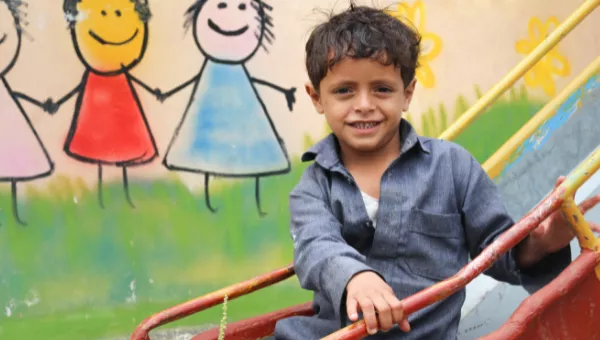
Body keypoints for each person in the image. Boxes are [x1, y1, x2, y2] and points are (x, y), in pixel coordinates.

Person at [274, 3, 600, 339]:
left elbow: (499, 252)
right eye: (344, 91)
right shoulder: (312, 187)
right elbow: (316, 244)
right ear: (316, 98)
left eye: (382, 89)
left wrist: (544, 241)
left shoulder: (453, 167)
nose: (364, 105)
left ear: (407, 93)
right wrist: (355, 276)